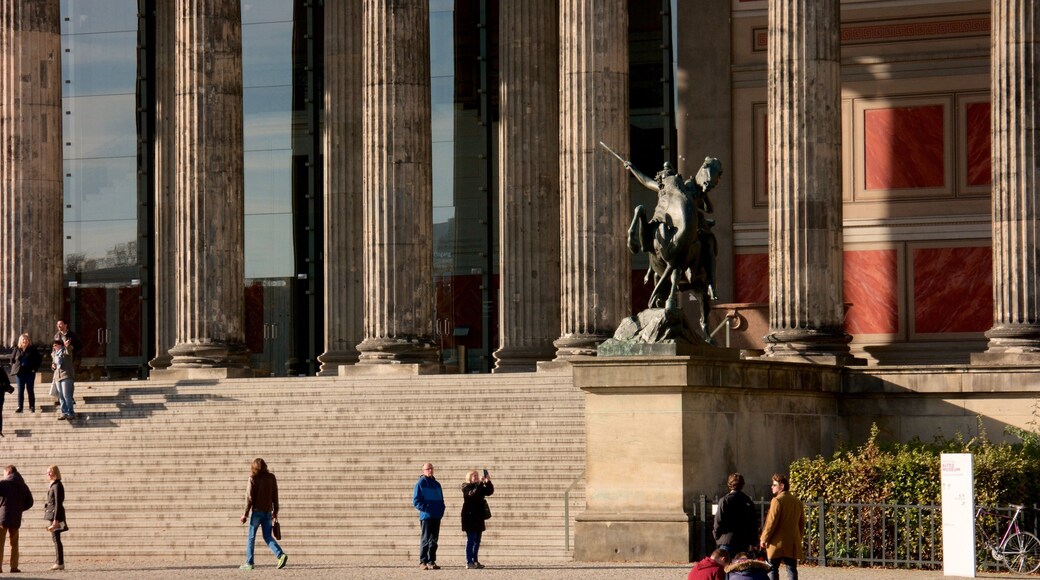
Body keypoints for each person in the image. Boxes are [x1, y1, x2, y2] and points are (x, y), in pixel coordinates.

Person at [239, 458, 287, 570]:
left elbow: (249, 498)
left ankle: (249, 563)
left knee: (251, 537)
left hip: (256, 512)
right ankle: (281, 555)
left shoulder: (252, 478)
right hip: (268, 512)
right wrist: (276, 511)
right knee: (268, 536)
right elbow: (275, 494)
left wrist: (245, 514)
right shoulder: (271, 477)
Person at [759, 473, 805, 580]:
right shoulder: (797, 501)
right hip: (792, 542)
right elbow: (801, 523)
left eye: (774, 485)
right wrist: (799, 538)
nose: (772, 487)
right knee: (792, 569)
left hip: (776, 543)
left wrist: (764, 538)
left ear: (782, 486)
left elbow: (771, 522)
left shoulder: (777, 500)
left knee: (773, 569)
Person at [714, 472, 759, 554]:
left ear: (729, 484)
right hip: (743, 541)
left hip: (727, 540)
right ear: (742, 485)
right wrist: (753, 541)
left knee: (726, 565)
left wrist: (716, 536)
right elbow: (753, 523)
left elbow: (718, 521)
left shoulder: (725, 500)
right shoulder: (747, 501)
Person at [0, 465, 34, 573]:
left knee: (0, 543)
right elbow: (30, 502)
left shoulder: (4, 483)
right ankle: (14, 566)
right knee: (14, 544)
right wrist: (19, 509)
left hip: (2, 518)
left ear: (8, 472)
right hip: (16, 518)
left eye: (4, 473)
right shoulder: (23, 485)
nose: (3, 475)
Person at [412, 462, 445, 570]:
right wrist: (426, 509)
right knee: (425, 539)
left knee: (434, 540)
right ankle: (423, 562)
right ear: (423, 471)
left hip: (436, 516)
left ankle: (431, 561)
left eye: (431, 468)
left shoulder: (437, 484)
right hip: (426, 516)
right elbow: (416, 501)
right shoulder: (420, 484)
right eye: (427, 469)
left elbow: (441, 500)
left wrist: (441, 510)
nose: (430, 470)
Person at [460, 469, 494, 569]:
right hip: (469, 517)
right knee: (471, 539)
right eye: (473, 475)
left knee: (477, 540)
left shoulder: (479, 486)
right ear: (469, 477)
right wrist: (479, 484)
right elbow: (472, 494)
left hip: (479, 517)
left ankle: (475, 560)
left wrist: (488, 482)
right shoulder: (465, 486)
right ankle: (469, 561)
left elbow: (489, 492)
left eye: (477, 475)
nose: (476, 477)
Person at [9, 333, 41, 414]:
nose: (25, 341)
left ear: (28, 341)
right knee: (20, 391)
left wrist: (35, 368)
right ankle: (20, 407)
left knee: (30, 390)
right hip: (20, 373)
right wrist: (15, 367)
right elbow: (12, 359)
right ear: (20, 341)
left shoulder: (33, 349)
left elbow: (39, 359)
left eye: (26, 339)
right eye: (23, 339)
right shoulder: (17, 349)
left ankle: (32, 406)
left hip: (30, 373)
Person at [44, 465, 67, 571]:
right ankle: (59, 562)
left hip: (55, 516)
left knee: (56, 538)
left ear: (55, 473)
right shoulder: (53, 485)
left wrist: (55, 519)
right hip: (53, 514)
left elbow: (58, 503)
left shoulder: (57, 485)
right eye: (47, 472)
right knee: (55, 538)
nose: (48, 474)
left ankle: (59, 562)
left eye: (50, 472)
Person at [51, 339, 75, 420]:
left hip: (66, 375)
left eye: (56, 345)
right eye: (53, 345)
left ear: (60, 345)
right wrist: (53, 366)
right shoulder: (54, 354)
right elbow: (54, 364)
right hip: (58, 376)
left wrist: (67, 346)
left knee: (66, 395)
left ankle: (70, 412)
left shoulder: (65, 351)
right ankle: (64, 413)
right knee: (61, 396)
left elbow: (69, 351)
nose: (54, 347)